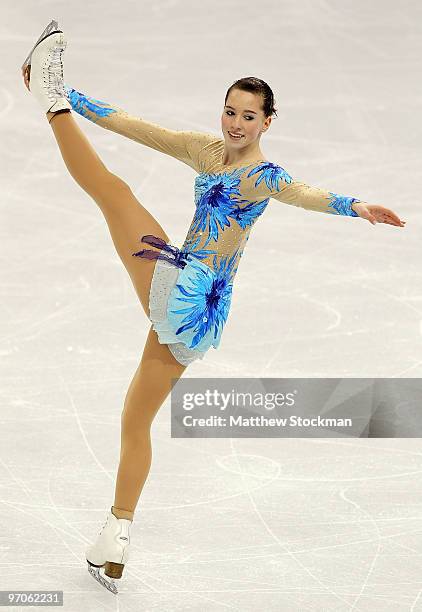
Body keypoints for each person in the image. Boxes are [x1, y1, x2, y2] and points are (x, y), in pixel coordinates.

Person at [21, 21, 406, 594]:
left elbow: (304, 193)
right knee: (134, 418)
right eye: (230, 111)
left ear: (267, 122)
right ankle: (115, 534)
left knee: (114, 193)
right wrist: (78, 95)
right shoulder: (207, 151)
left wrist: (356, 206)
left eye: (248, 116)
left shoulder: (261, 175)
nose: (235, 123)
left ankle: (48, 106)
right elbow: (137, 127)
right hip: (199, 316)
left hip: (186, 286)